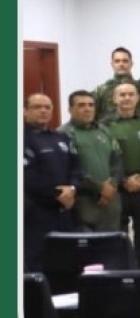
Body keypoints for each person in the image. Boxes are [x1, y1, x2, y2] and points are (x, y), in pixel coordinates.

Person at [103, 82, 140, 269]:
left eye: (131, 94)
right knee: (118, 237)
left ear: (137, 98)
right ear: (114, 98)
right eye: (122, 94)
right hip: (117, 190)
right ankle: (122, 274)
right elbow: (106, 158)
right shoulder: (104, 125)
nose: (127, 98)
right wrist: (122, 180)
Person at [23, 93, 80, 272]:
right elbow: (27, 176)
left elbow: (76, 168)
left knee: (66, 262)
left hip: (65, 212)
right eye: (37, 107)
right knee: (38, 264)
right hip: (36, 213)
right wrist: (58, 194)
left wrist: (72, 189)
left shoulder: (61, 138)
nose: (43, 111)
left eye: (47, 107)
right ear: (25, 111)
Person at [59, 90, 123, 232]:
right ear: (70, 109)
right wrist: (99, 187)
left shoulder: (104, 131)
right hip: (84, 201)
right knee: (86, 243)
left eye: (91, 105)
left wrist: (112, 184)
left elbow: (117, 159)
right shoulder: (63, 134)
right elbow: (69, 169)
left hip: (110, 200)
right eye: (81, 105)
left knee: (111, 242)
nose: (87, 109)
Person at [93, 46, 140, 120]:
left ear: (131, 63)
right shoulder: (101, 90)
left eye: (125, 61)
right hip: (108, 126)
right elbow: (93, 115)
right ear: (112, 64)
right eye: (117, 61)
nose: (121, 64)